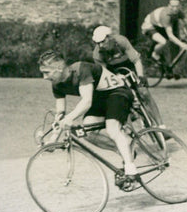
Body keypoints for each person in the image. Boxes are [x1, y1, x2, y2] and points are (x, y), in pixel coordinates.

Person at [37, 50, 140, 184]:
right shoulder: (56, 84)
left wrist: (70, 118)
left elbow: (86, 101)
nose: (44, 77)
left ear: (59, 68)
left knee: (112, 129)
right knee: (86, 132)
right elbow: (60, 114)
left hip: (117, 92)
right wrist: (53, 139)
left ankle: (131, 170)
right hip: (99, 98)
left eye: (46, 72)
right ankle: (125, 150)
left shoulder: (81, 69)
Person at [91, 25, 164, 125]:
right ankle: (130, 115)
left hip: (129, 65)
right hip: (112, 71)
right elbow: (104, 73)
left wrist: (141, 77)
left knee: (144, 93)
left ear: (109, 37)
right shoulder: (97, 54)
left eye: (103, 41)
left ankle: (161, 125)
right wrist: (116, 79)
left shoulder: (121, 41)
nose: (101, 45)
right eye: (97, 43)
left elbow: (136, 61)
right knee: (122, 95)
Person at [140, 0, 187, 69]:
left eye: (177, 6)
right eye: (172, 6)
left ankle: (167, 67)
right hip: (149, 26)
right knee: (163, 42)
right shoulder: (166, 16)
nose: (175, 9)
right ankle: (154, 54)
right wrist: (182, 45)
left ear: (179, 6)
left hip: (160, 25)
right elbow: (170, 36)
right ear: (168, 6)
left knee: (172, 42)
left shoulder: (179, 12)